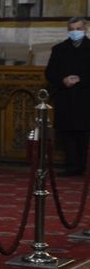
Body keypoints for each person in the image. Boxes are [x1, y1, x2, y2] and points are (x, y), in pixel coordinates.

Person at [45, 17, 90, 176]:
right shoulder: (59, 49)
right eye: (72, 29)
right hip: (65, 97)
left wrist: (80, 79)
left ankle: (83, 166)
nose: (75, 32)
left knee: (83, 134)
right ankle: (71, 166)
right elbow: (50, 73)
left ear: (85, 29)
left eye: (78, 29)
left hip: (84, 98)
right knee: (67, 134)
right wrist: (63, 80)